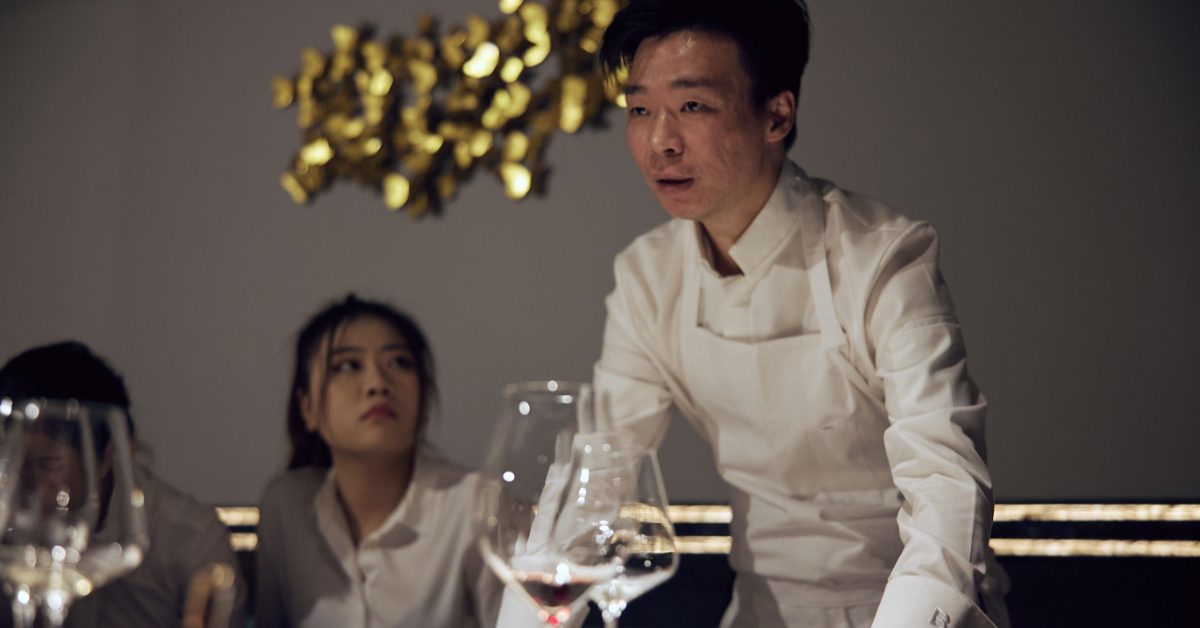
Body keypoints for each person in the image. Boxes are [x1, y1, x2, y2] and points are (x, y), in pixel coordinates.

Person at [591, 1, 1009, 626]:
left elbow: (946, 482)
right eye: (640, 110)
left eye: (693, 106)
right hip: (761, 609)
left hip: (907, 604)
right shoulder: (647, 277)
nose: (660, 142)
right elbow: (598, 474)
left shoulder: (880, 256)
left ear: (777, 115)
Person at [255, 294, 501, 628]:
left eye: (399, 363)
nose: (378, 384)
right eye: (348, 366)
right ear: (307, 407)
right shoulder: (286, 506)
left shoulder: (473, 502)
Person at [0, 341, 247, 628]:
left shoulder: (190, 540)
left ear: (108, 456)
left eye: (47, 463)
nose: (23, 482)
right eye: (9, 464)